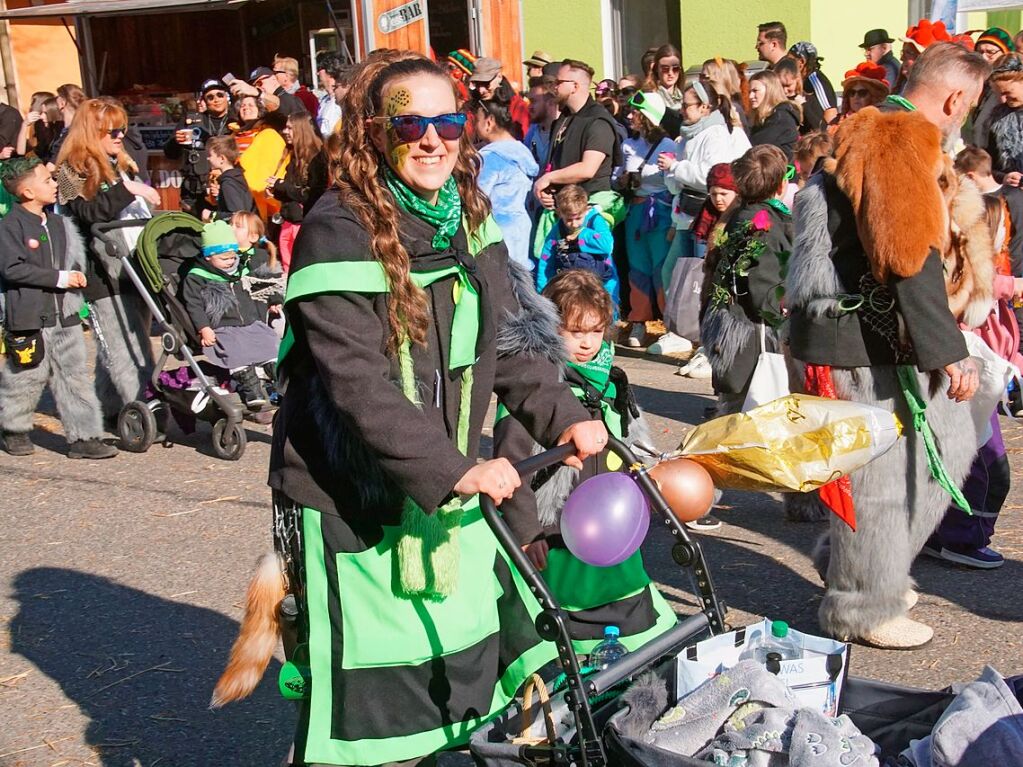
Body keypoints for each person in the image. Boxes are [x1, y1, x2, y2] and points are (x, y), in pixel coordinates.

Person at [253, 50, 606, 766]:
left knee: (453, 682)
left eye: (446, 121)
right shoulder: (336, 229)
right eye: (409, 121)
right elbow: (356, 381)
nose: (431, 138)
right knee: (368, 711)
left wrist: (564, 413)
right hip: (351, 492)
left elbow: (503, 346)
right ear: (374, 132)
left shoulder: (466, 219)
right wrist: (452, 469)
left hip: (441, 491)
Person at [784, 42, 988, 649]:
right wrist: (947, 349)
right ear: (955, 98)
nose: (967, 116)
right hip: (858, 338)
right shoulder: (900, 137)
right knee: (879, 475)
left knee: (949, 436)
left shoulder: (878, 127)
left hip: (869, 332)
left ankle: (857, 563)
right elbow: (907, 253)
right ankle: (861, 606)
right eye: (970, 105)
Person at [493, 268, 676, 649]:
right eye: (575, 333)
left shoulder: (610, 380)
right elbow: (511, 463)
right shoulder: (535, 391)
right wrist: (526, 532)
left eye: (595, 331)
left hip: (612, 531)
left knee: (628, 606)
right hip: (556, 532)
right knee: (567, 615)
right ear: (551, 328)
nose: (587, 343)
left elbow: (632, 440)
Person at [0, 156, 117, 460]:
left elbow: (76, 260)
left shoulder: (60, 223)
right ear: (26, 192)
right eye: (47, 180)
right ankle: (13, 427)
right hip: (29, 314)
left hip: (64, 313)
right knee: (26, 375)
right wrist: (59, 278)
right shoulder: (9, 227)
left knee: (74, 374)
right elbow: (12, 269)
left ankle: (85, 436)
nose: (55, 185)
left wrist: (78, 287)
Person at [56, 98, 161, 424]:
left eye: (122, 130)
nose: (119, 137)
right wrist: (129, 189)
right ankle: (146, 413)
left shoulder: (116, 162)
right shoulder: (68, 170)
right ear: (92, 131)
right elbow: (87, 213)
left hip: (132, 265)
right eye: (112, 131)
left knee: (123, 344)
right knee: (126, 348)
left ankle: (106, 408)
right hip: (101, 271)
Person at [655, 82, 750, 354]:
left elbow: (713, 175)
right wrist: (670, 173)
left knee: (702, 277)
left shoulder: (716, 133)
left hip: (706, 214)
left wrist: (676, 167)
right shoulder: (687, 134)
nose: (682, 110)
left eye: (687, 105)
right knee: (673, 272)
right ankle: (680, 329)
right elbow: (678, 181)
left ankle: (704, 340)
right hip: (684, 215)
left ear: (705, 107)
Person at [700, 145, 791, 414]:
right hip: (751, 330)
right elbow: (761, 282)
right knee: (750, 405)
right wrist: (781, 313)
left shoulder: (742, 215)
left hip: (733, 321)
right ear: (781, 185)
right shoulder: (762, 224)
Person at [180, 220, 279, 410]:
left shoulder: (240, 269)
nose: (230, 262)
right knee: (235, 349)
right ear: (209, 257)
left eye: (233, 257)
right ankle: (250, 387)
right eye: (224, 259)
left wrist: (274, 300)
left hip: (249, 321)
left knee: (270, 341)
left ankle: (277, 380)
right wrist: (204, 327)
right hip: (222, 325)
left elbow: (262, 283)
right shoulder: (197, 276)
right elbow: (194, 305)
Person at [533, 58, 624, 258]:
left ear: (574, 86)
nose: (554, 87)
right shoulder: (564, 118)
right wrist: (549, 190)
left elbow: (587, 168)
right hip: (563, 212)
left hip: (587, 216)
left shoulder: (598, 121)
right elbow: (557, 163)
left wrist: (548, 178)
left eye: (559, 82)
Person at [611, 91, 677, 347]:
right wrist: (621, 180)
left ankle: (669, 324)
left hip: (659, 212)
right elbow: (617, 174)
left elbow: (672, 181)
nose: (629, 116)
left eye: (635, 112)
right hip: (635, 212)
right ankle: (638, 322)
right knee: (638, 268)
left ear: (648, 116)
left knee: (661, 268)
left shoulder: (668, 146)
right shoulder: (628, 144)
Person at [475, 94, 538, 268]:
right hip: (520, 227)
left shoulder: (489, 158)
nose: (474, 125)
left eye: (477, 120)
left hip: (495, 232)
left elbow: (477, 197)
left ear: (489, 122)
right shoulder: (521, 152)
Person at [164, 78, 233, 217]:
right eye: (210, 97)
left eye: (220, 95)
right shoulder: (192, 120)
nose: (216, 99)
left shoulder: (237, 120)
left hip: (228, 189)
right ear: (204, 101)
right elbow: (170, 153)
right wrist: (176, 141)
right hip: (196, 193)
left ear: (227, 97)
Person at [535, 184, 617, 301]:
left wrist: (582, 234)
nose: (574, 224)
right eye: (568, 219)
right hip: (571, 286)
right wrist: (542, 293)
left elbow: (607, 246)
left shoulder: (595, 221)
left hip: (601, 284)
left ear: (586, 209)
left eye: (578, 218)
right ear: (560, 213)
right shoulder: (558, 230)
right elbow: (546, 260)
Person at [266, 111, 325, 273]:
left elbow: (310, 195)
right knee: (288, 270)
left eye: (290, 128)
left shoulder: (317, 158)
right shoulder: (294, 157)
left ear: (301, 130)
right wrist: (277, 191)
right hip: (288, 222)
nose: (285, 132)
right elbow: (292, 190)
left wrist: (282, 185)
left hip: (304, 225)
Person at [969, 28, 1014, 150]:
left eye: (990, 52)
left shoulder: (1012, 89)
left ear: (1005, 54)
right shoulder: (976, 85)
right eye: (979, 52)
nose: (983, 57)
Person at [985, 53, 1023, 186]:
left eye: (1008, 92)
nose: (1002, 100)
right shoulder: (998, 119)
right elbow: (991, 167)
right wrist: (1004, 177)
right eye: (998, 93)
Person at [469, 57, 529, 139]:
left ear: (499, 77)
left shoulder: (518, 106)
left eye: (486, 84)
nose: (481, 90)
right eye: (477, 84)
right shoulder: (472, 106)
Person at [748, 70, 800, 160]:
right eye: (750, 91)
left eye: (755, 91)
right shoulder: (767, 117)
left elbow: (753, 147)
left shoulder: (779, 118)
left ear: (769, 91)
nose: (750, 96)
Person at [789, 42, 838, 131]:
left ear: (801, 62)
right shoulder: (801, 79)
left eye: (790, 60)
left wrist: (825, 137)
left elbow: (830, 112)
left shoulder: (815, 80)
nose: (787, 64)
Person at [206, 135, 256, 218]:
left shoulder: (228, 183)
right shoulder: (237, 176)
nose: (208, 158)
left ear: (222, 158)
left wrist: (212, 215)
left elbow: (237, 214)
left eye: (210, 155)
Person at [230, 66, 303, 118]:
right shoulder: (265, 103)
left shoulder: (288, 99)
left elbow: (278, 104)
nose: (257, 87)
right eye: (254, 85)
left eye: (260, 83)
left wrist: (257, 92)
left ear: (274, 79)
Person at [701, 57, 750, 132]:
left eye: (704, 77)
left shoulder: (733, 109)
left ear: (720, 79)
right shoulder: (707, 104)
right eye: (700, 76)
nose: (700, 80)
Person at [16, 91, 62, 162]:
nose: (31, 106)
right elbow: (20, 151)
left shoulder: (59, 126)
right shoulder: (39, 124)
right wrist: (24, 125)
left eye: (32, 102)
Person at [524, 75, 558, 168]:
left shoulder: (566, 132)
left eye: (533, 101)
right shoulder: (533, 131)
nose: (529, 107)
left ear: (551, 102)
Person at [274, 54, 319, 119]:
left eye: (275, 72)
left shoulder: (306, 97)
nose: (272, 76)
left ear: (287, 75)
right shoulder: (276, 96)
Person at [48, 84, 85, 162]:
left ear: (62, 103)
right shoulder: (86, 126)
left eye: (57, 99)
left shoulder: (70, 133)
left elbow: (53, 166)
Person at [315, 53, 348, 136]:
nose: (317, 73)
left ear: (328, 70)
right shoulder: (323, 101)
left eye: (319, 69)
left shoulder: (346, 99)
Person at [644, 44, 684, 110]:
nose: (670, 73)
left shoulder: (686, 96)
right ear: (657, 68)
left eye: (675, 68)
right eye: (665, 68)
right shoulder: (649, 96)